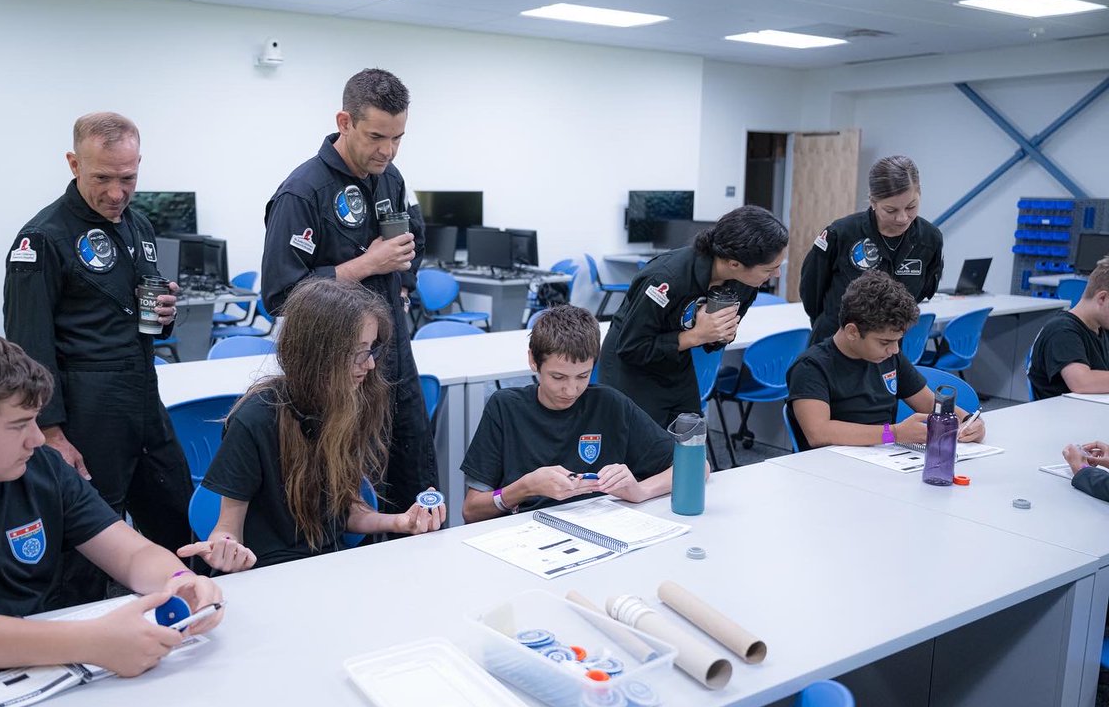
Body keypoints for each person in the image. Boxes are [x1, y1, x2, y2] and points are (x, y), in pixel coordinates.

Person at [0, 327, 223, 677]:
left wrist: (178, 580)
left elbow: (132, 554)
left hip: (43, 658)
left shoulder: (41, 467)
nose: (37, 438)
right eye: (19, 425)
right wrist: (88, 641)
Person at [2, 112, 192, 605]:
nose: (115, 193)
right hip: (86, 410)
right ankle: (84, 639)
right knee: (90, 541)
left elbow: (145, 315)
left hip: (144, 399)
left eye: (127, 178)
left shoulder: (139, 224)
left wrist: (166, 313)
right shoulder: (42, 239)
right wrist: (49, 433)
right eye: (102, 178)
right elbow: (28, 347)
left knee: (176, 512)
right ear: (73, 164)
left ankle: (186, 607)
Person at [260, 68, 436, 518]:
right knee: (350, 496)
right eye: (377, 136)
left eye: (398, 137)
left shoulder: (390, 177)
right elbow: (280, 295)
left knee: (412, 475)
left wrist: (402, 280)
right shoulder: (302, 192)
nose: (388, 150)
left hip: (393, 352)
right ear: (344, 121)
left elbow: (406, 247)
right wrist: (365, 266)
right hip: (336, 370)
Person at [176, 280, 445, 572]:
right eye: (358, 352)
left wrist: (400, 521)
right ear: (317, 354)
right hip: (268, 573)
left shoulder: (347, 404)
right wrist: (226, 549)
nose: (369, 365)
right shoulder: (255, 419)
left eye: (371, 350)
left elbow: (347, 513)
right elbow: (227, 529)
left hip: (329, 566)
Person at [462, 304, 681, 524]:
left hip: (601, 528)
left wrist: (640, 490)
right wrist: (525, 487)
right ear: (533, 360)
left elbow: (698, 468)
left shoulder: (610, 405)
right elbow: (471, 510)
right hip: (526, 534)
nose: (571, 390)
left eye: (583, 376)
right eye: (558, 377)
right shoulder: (505, 408)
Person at [599, 205, 789, 427]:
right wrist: (697, 335)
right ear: (734, 263)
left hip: (675, 365)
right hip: (630, 369)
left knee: (690, 441)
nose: (777, 275)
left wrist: (720, 333)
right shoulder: (666, 278)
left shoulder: (745, 283)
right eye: (769, 270)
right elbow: (632, 346)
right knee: (643, 451)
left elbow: (714, 343)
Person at [787, 271, 986, 449]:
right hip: (830, 467)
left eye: (898, 341)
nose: (894, 349)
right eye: (885, 342)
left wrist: (968, 421)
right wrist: (893, 433)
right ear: (852, 332)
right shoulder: (811, 367)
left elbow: (927, 401)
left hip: (883, 458)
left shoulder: (890, 356)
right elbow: (818, 433)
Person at [800, 155, 944, 345]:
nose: (902, 218)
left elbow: (924, 291)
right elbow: (812, 290)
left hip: (889, 346)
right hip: (836, 341)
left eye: (911, 207)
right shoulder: (841, 234)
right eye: (891, 210)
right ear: (873, 202)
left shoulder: (929, 239)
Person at [1028, 256, 1109, 400]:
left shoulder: (1102, 327)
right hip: (1060, 418)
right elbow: (1081, 382)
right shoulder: (1062, 331)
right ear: (1102, 298)